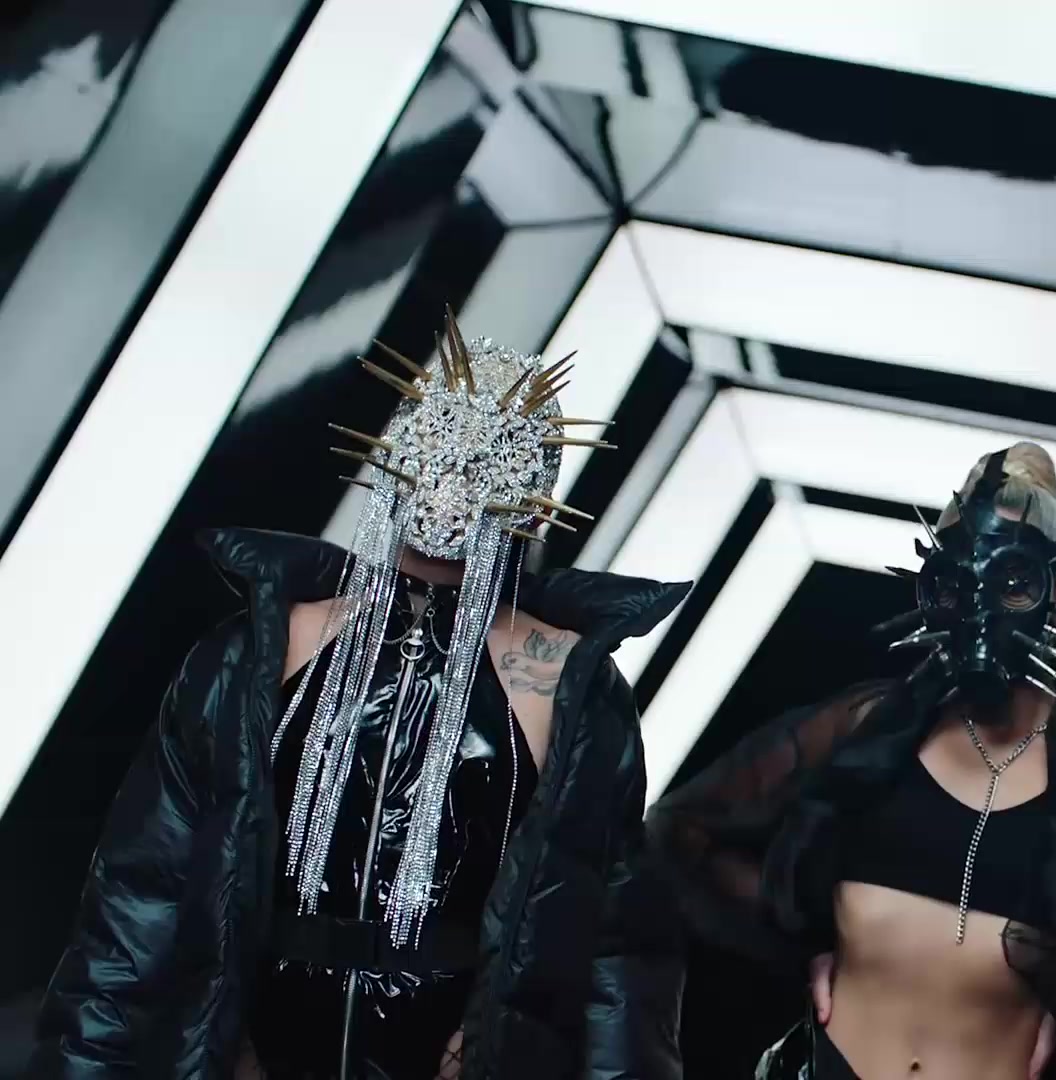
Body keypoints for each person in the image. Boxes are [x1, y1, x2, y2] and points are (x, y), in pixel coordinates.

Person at [31, 312, 691, 1079]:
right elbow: (137, 905)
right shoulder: (252, 657)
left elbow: (615, 952)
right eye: (441, 440)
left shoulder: (569, 690)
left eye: (488, 458)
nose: (453, 484)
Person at [650, 442, 1056, 1080]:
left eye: (1014, 583)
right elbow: (679, 833)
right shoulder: (870, 731)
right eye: (954, 583)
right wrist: (811, 943)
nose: (980, 607)